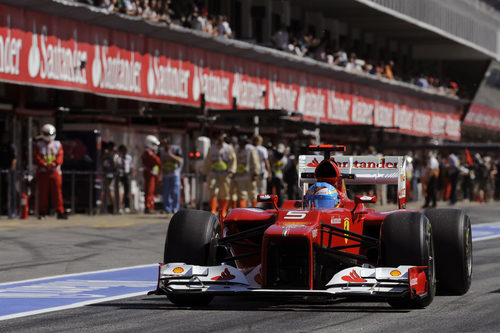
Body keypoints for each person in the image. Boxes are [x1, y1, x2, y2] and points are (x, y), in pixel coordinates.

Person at [34, 124, 67, 219]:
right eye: (46, 134)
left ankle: (60, 211)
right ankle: (42, 212)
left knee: (57, 192)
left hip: (55, 172)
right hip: (43, 172)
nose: (48, 136)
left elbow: (60, 157)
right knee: (43, 193)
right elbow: (36, 157)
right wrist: (44, 164)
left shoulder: (57, 144)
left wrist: (54, 164)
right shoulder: (39, 145)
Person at [202, 131, 236, 217]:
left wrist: (231, 171)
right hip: (213, 173)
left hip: (225, 174)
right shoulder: (212, 148)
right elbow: (207, 161)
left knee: (224, 192)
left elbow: (233, 160)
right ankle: (213, 210)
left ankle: (223, 211)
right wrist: (204, 172)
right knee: (212, 190)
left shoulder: (228, 148)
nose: (220, 139)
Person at [232, 135, 260, 208]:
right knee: (242, 194)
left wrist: (255, 173)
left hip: (250, 175)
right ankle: (243, 210)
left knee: (252, 193)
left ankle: (255, 209)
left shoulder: (250, 149)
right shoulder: (236, 149)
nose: (241, 144)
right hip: (240, 176)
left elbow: (255, 161)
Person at [160, 137, 183, 214]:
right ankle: (167, 208)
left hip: (175, 173)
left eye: (165, 143)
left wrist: (170, 155)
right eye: (163, 144)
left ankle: (175, 208)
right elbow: (159, 162)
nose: (164, 145)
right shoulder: (161, 150)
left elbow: (181, 160)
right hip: (166, 174)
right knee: (166, 192)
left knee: (176, 191)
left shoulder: (176, 149)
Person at [142, 135, 161, 213]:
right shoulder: (148, 152)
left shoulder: (149, 152)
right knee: (149, 191)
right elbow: (158, 162)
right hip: (150, 174)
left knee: (151, 191)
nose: (156, 147)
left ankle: (150, 206)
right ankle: (148, 206)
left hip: (152, 174)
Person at [0, 132, 17, 218]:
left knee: (12, 190)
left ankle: (13, 210)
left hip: (10, 172)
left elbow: (14, 159)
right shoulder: (1, 146)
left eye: (6, 137)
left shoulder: (11, 146)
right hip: (2, 171)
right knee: (2, 190)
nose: (4, 138)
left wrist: (11, 170)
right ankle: (3, 209)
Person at [252, 135, 271, 200]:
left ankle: (254, 206)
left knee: (254, 191)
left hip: (253, 173)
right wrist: (269, 172)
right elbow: (266, 162)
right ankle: (261, 207)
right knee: (262, 191)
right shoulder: (263, 149)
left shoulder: (251, 149)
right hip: (262, 172)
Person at [115, 144, 133, 213]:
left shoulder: (129, 157)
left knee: (127, 191)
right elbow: (116, 165)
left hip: (127, 175)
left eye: (124, 150)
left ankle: (127, 206)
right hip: (120, 175)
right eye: (122, 150)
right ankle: (119, 206)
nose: (123, 152)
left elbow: (131, 166)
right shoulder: (118, 157)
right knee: (120, 191)